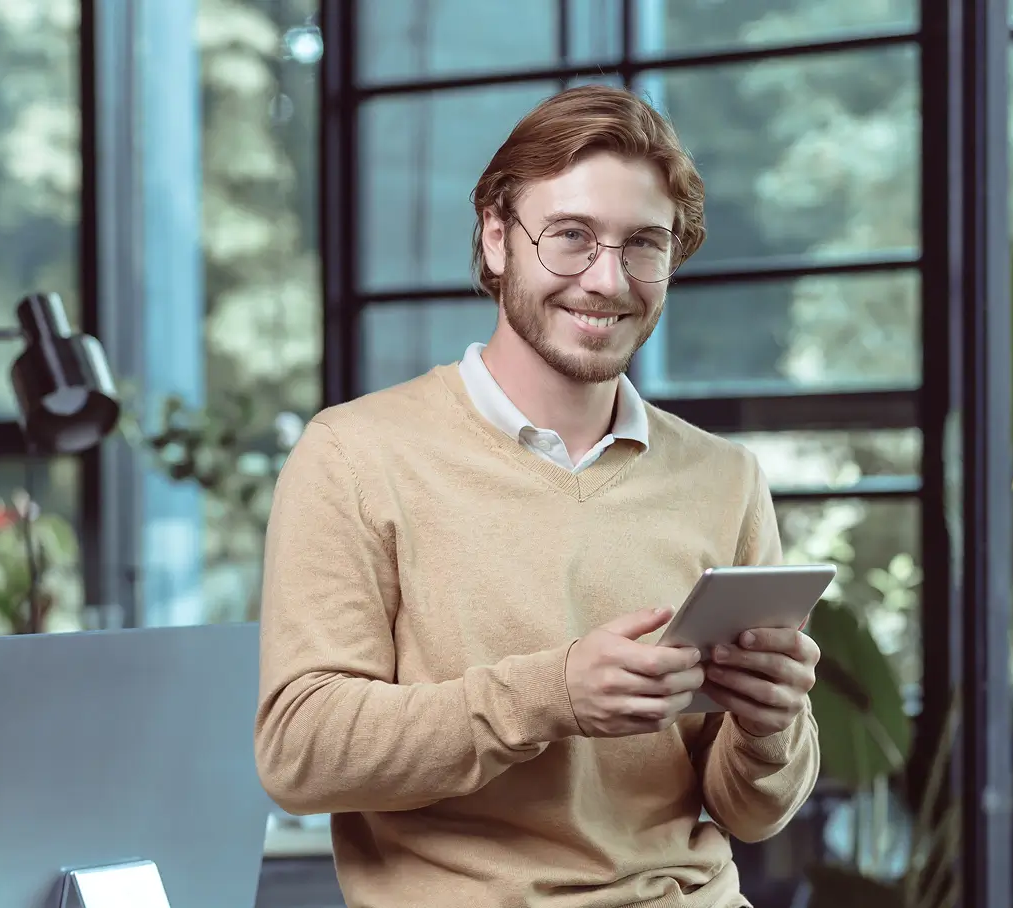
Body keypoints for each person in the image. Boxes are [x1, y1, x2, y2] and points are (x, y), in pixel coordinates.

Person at [255, 84, 821, 908]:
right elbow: (300, 754)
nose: (607, 280)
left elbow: (750, 812)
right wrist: (550, 696)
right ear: (495, 238)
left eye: (643, 245)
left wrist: (770, 728)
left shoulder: (724, 479)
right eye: (571, 239)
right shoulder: (353, 454)